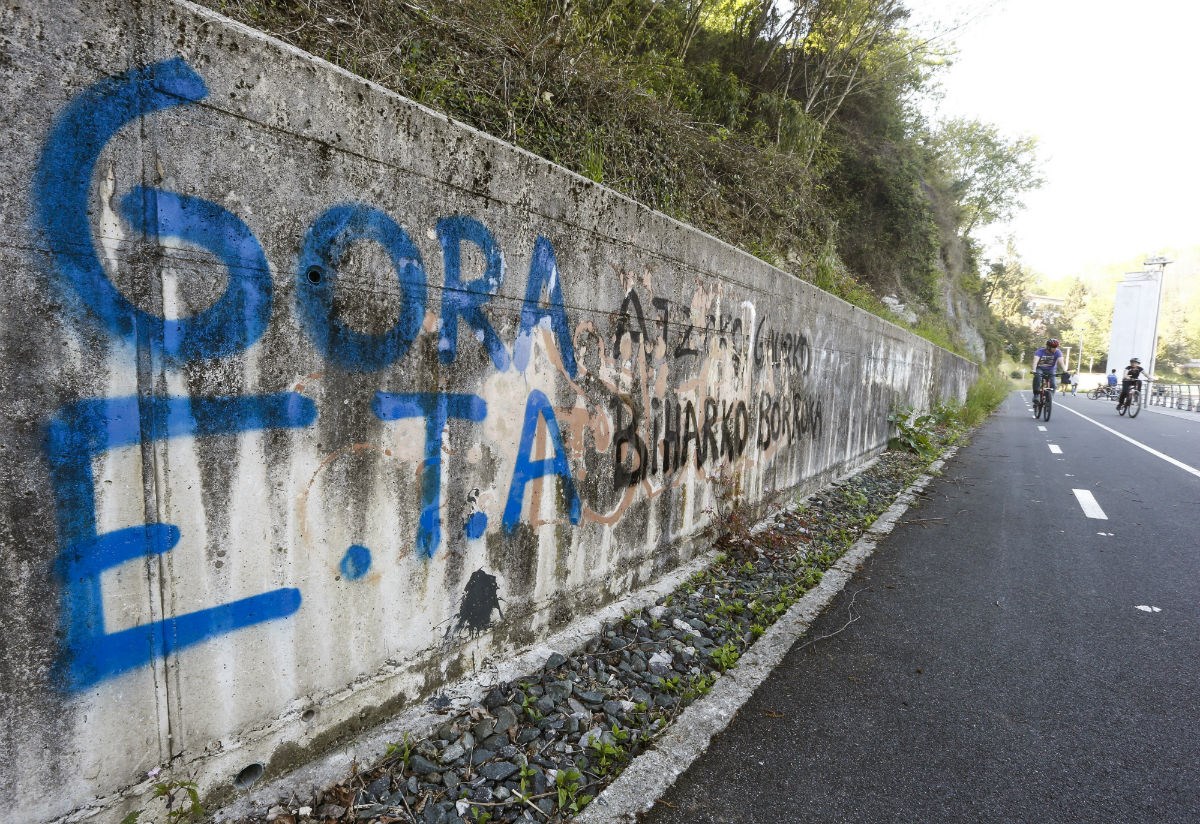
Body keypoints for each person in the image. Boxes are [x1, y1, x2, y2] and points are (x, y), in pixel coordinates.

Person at [1030, 338, 1065, 403]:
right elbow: (1035, 362)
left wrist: (1065, 370)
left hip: (1051, 370)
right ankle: (1036, 395)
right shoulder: (1040, 351)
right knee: (1037, 377)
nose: (1055, 349)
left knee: (1054, 384)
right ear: (1048, 347)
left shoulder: (1057, 352)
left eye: (1056, 347)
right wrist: (1034, 370)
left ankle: (1050, 398)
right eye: (1053, 347)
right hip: (1040, 369)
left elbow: (1061, 362)